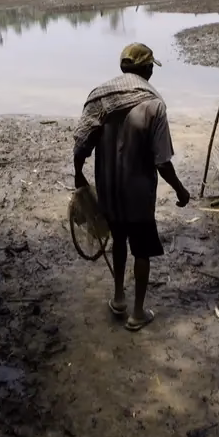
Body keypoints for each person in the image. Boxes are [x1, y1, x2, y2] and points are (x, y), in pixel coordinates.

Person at [73, 43, 190, 332]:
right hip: (138, 196)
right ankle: (137, 313)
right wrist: (180, 190)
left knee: (119, 241)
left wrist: (78, 175)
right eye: (152, 67)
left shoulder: (101, 97)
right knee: (142, 251)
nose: (152, 70)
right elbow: (162, 162)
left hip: (109, 193)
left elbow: (81, 145)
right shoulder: (154, 104)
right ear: (147, 69)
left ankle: (118, 298)